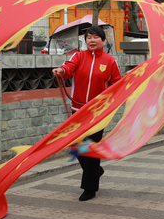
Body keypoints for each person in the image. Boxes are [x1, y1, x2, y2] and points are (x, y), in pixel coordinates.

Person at [52, 26, 122, 201]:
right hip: (78, 111)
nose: (92, 40)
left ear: (103, 41)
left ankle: (89, 188)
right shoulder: (79, 56)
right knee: (75, 145)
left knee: (90, 147)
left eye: (96, 37)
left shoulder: (110, 61)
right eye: (88, 37)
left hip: (98, 113)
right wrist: (61, 71)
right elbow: (68, 68)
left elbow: (117, 83)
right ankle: (96, 171)